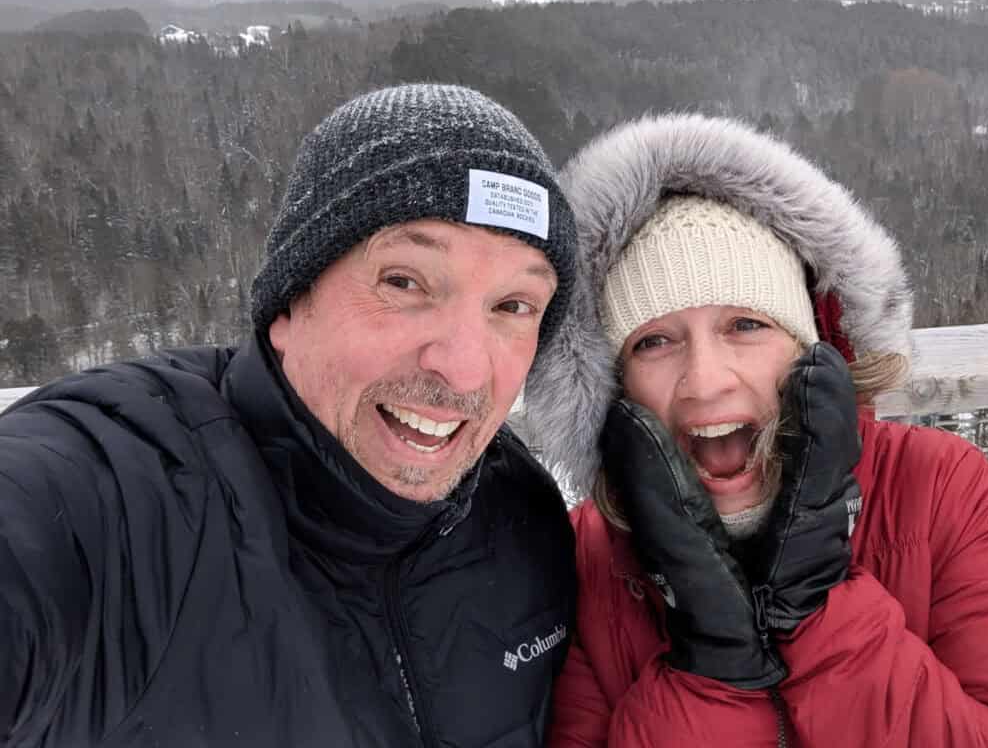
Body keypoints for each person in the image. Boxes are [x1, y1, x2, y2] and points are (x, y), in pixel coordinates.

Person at [1, 84, 580, 747]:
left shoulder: (525, 519)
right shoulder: (121, 500)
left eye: (512, 306)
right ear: (290, 301)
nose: (466, 368)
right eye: (405, 282)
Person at [524, 113, 988, 747]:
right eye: (655, 341)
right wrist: (712, 674)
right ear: (616, 385)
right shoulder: (592, 551)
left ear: (809, 350)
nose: (705, 380)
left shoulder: (938, 489)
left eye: (745, 325)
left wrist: (821, 617)